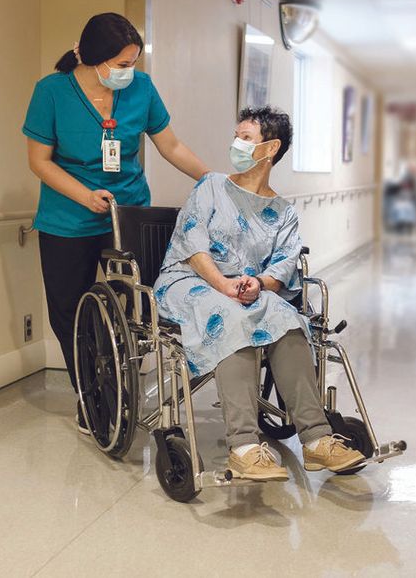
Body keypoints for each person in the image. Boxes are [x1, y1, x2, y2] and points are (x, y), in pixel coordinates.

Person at [153, 106, 364, 480]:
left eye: (246, 138)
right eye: (237, 135)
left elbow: (283, 265)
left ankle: (316, 440)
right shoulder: (211, 186)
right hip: (190, 281)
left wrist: (260, 284)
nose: (236, 143)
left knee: (288, 318)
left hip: (245, 288)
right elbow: (193, 245)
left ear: (270, 148)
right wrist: (224, 284)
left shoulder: (283, 212)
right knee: (232, 316)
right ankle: (245, 446)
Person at [23, 12, 209, 432]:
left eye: (133, 63)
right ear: (90, 57)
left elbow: (172, 145)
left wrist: (212, 180)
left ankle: (121, 385)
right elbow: (39, 161)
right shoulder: (51, 92)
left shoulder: (140, 89)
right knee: (68, 312)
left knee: (139, 308)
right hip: (66, 218)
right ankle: (91, 396)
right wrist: (84, 195)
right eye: (123, 64)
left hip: (127, 213)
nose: (130, 72)